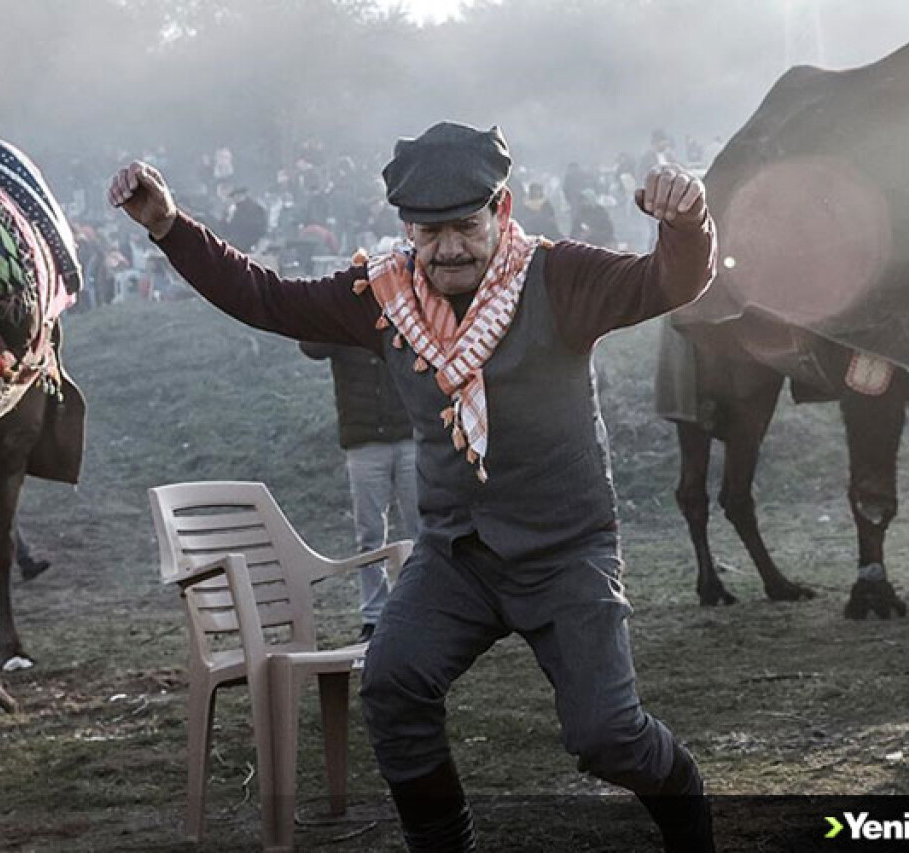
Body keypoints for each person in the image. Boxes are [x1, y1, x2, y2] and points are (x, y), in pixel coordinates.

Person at [110, 120, 717, 852]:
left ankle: (688, 812)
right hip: (457, 555)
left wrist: (689, 221)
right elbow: (267, 298)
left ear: (504, 209)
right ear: (405, 227)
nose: (448, 248)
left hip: (567, 552)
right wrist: (170, 227)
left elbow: (670, 280)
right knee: (392, 684)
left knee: (607, 736)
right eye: (429, 232)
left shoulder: (560, 277)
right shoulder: (381, 294)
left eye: (465, 225)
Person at [299, 340, 420, 643]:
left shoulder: (403, 305)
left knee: (424, 531)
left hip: (409, 436)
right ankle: (374, 616)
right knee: (369, 535)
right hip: (366, 441)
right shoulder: (341, 310)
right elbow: (310, 345)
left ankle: (425, 608)